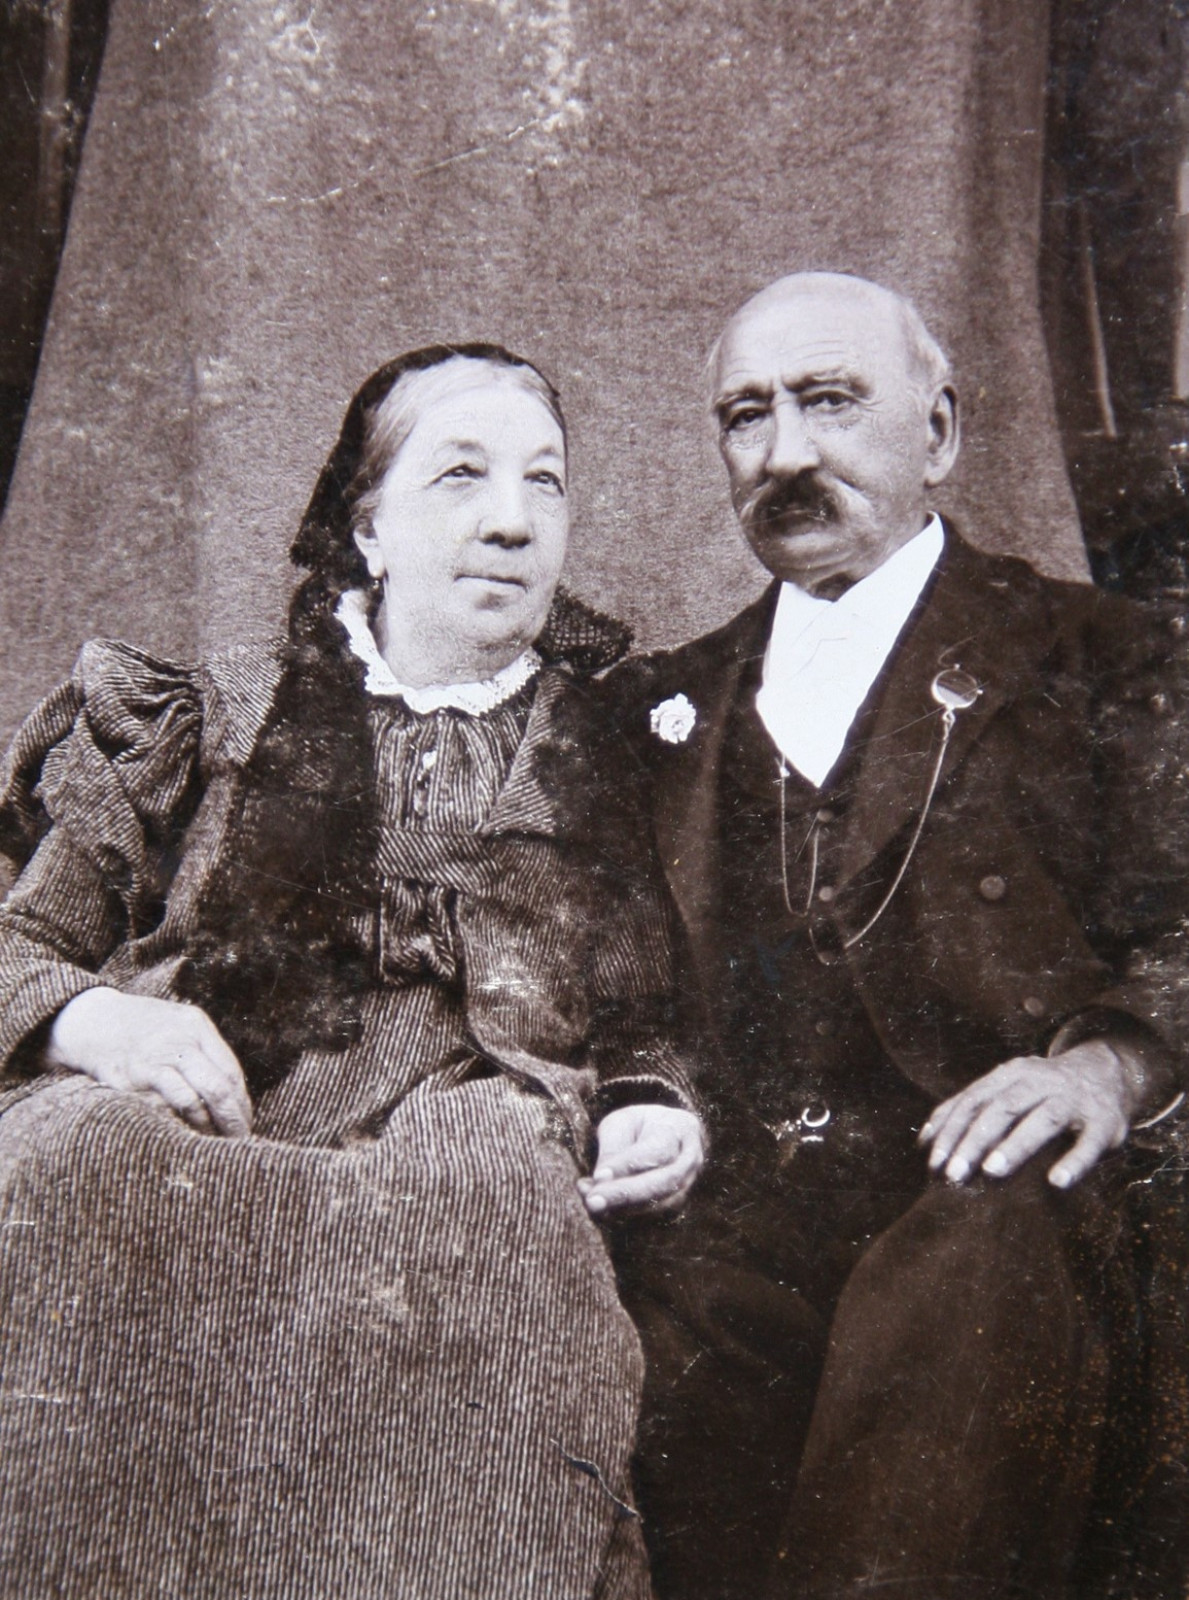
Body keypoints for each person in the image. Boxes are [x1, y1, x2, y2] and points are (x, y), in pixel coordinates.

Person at [0, 343, 705, 1600]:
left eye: (544, 482)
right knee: (77, 1164)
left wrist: (654, 1102)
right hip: (195, 1109)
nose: (512, 519)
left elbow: (647, 1005)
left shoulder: (619, 743)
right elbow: (23, 942)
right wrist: (98, 1022)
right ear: (368, 527)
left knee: (487, 1207)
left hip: (457, 1131)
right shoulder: (212, 713)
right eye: (462, 476)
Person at [607, 274, 1189, 1600]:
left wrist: (1104, 1068)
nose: (784, 453)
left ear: (937, 434)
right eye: (746, 416)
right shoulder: (661, 709)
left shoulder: (1101, 654)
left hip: (1014, 1214)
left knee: (977, 1264)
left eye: (828, 402)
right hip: (747, 1232)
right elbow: (617, 982)